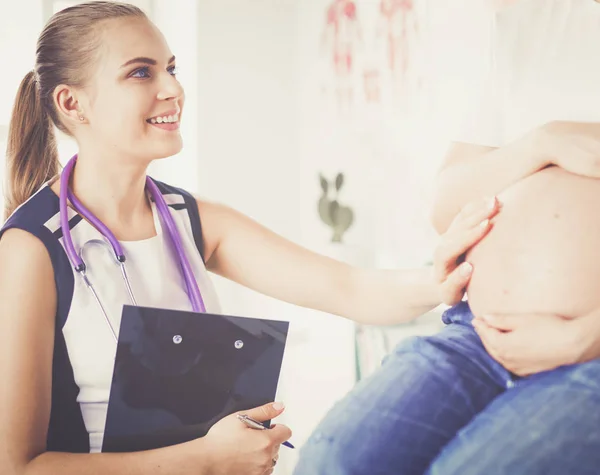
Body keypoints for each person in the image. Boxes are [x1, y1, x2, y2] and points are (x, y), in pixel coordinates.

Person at [0, 3, 495, 475]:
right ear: (73, 103)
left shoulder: (191, 220)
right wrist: (208, 460)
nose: (173, 88)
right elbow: (16, 466)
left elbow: (351, 290)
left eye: (171, 68)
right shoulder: (31, 251)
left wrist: (453, 271)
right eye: (141, 72)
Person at [294, 1, 600, 474]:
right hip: (477, 334)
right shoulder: (525, 23)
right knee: (334, 463)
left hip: (592, 348)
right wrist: (543, 141)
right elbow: (445, 204)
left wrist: (587, 335)